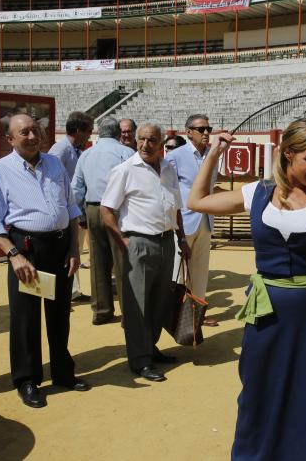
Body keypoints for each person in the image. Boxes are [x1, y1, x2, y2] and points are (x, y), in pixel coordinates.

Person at [188, 118, 306, 461]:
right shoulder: (257, 193)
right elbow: (198, 200)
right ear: (287, 155)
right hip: (265, 312)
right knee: (259, 389)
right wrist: (213, 154)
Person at [0, 114, 91, 409]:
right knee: (26, 318)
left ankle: (62, 372)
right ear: (10, 139)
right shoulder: (0, 170)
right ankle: (27, 380)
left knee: (60, 315)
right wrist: (14, 255)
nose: (32, 136)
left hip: (59, 247)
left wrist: (73, 249)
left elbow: (70, 208)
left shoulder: (54, 163)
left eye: (35, 130)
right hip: (26, 249)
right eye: (24, 132)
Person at [100, 122, 190, 383]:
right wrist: (123, 241)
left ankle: (150, 348)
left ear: (162, 143)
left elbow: (176, 208)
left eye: (151, 140)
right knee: (137, 303)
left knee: (159, 301)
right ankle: (140, 360)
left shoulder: (169, 169)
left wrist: (181, 238)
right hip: (138, 241)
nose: (145, 145)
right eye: (141, 139)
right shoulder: (125, 170)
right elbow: (106, 211)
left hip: (166, 241)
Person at [72, 116, 134, 325]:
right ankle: (129, 313)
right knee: (123, 261)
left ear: (99, 133)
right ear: (118, 133)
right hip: (118, 208)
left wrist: (80, 214)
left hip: (93, 208)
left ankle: (101, 310)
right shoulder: (126, 153)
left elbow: (77, 188)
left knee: (98, 260)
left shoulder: (87, 154)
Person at [166, 114, 220, 326]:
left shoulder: (213, 155)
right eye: (201, 129)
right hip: (184, 220)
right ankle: (177, 316)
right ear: (188, 132)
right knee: (178, 271)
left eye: (208, 128)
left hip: (205, 219)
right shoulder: (175, 156)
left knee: (200, 271)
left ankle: (197, 315)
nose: (206, 133)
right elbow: (169, 189)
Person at [48, 111, 94, 299]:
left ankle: (72, 290)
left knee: (74, 247)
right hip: (63, 207)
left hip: (75, 207)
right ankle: (66, 290)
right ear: (77, 130)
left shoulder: (75, 150)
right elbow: (49, 180)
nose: (90, 135)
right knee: (66, 248)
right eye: (88, 131)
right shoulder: (61, 150)